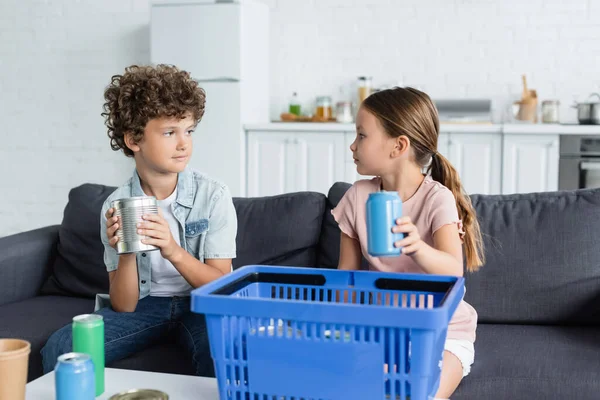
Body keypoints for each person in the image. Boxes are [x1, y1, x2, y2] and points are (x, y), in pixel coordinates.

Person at [41, 64, 238, 377]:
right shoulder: (116, 205)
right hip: (145, 307)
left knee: (224, 351)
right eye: (169, 132)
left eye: (188, 131)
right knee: (63, 346)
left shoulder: (212, 195)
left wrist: (173, 250)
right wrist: (126, 250)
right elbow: (125, 306)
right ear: (134, 139)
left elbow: (222, 286)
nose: (184, 143)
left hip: (200, 305)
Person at [332, 87, 484, 399]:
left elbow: (453, 270)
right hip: (383, 330)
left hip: (441, 332)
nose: (352, 145)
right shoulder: (357, 196)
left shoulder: (437, 199)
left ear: (398, 146)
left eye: (361, 135)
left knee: (421, 395)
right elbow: (345, 275)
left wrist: (417, 247)